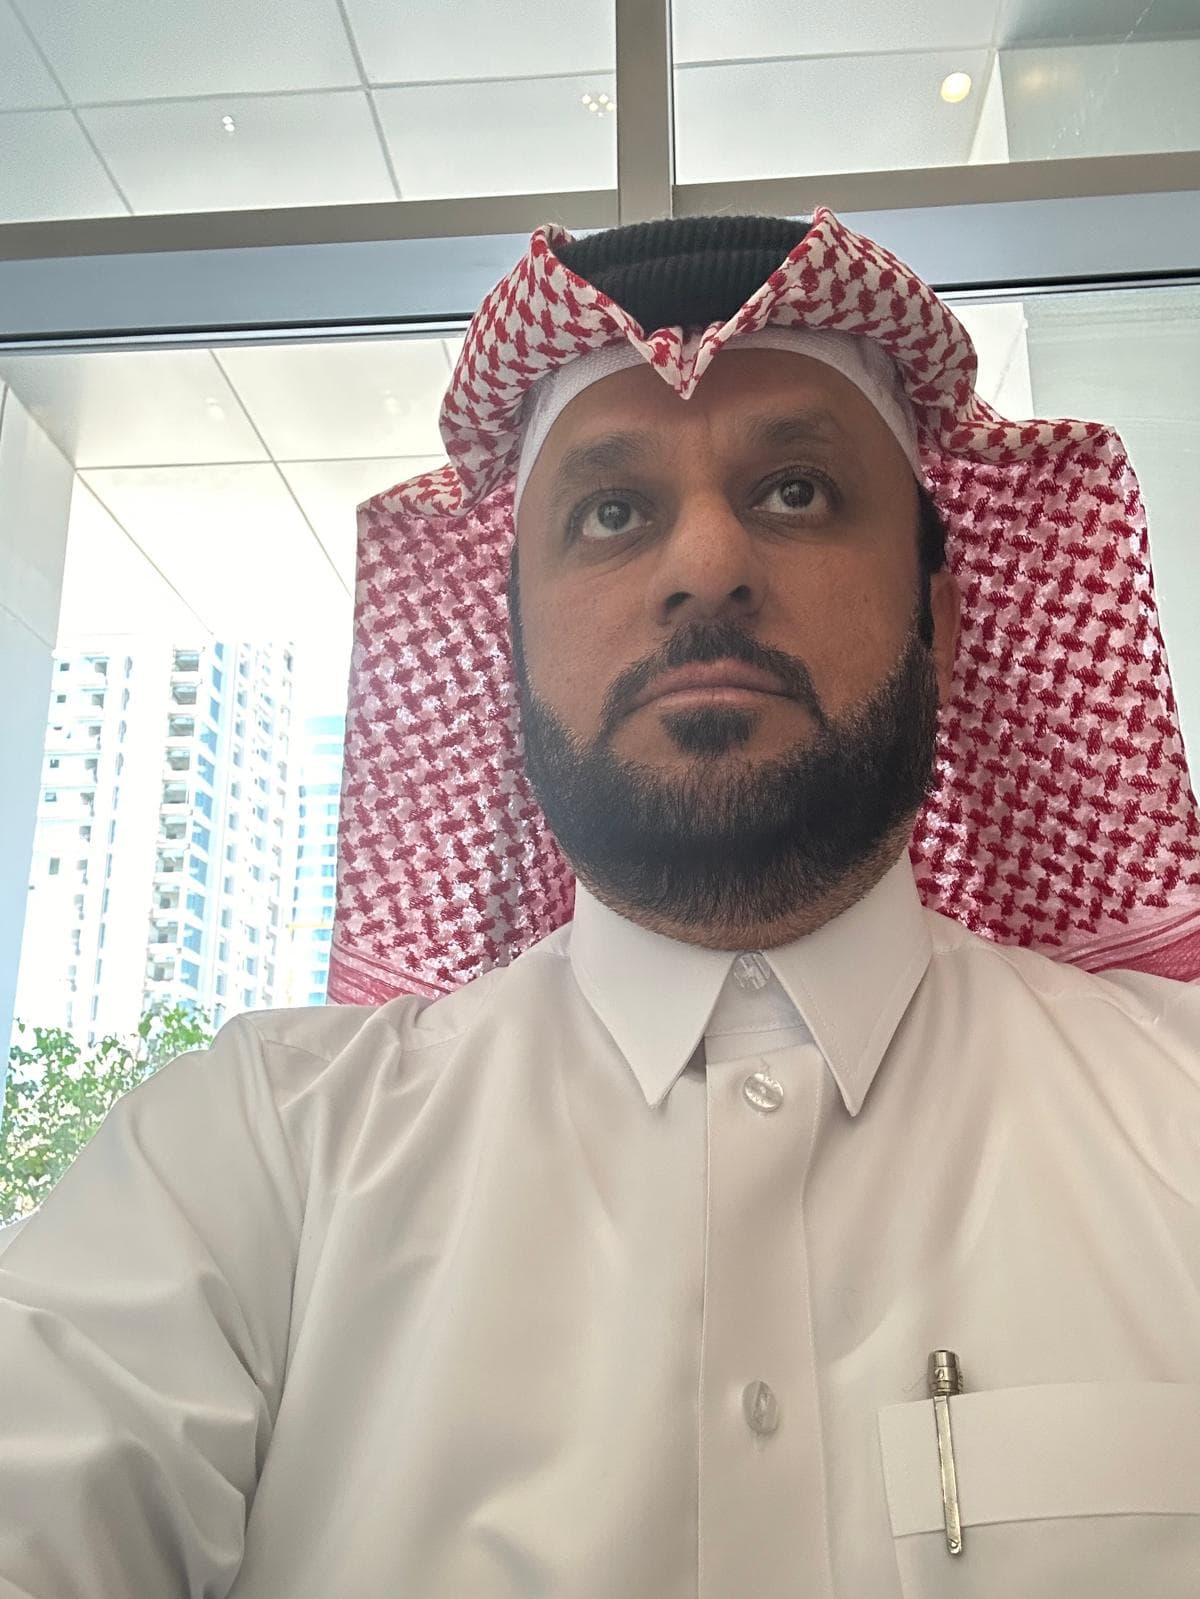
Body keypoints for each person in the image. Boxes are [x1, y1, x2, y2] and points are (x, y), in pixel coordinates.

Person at [2, 211, 1200, 1598]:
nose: (707, 564)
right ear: (506, 630)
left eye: (798, 491)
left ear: (939, 600)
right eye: (613, 511)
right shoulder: (260, 1159)